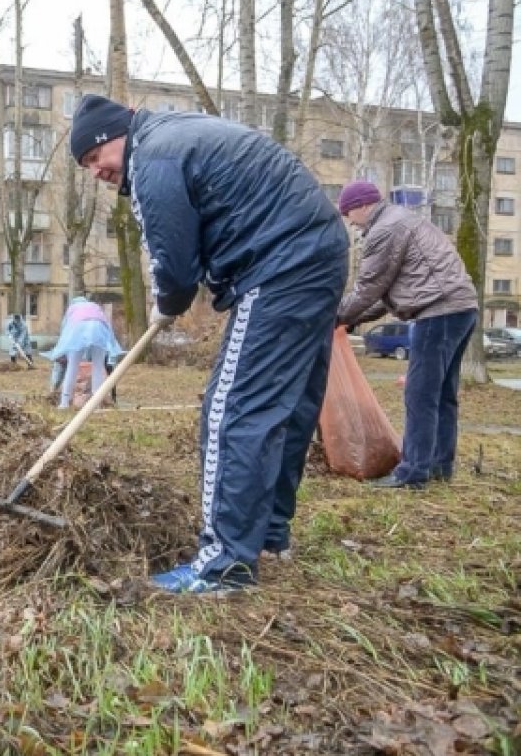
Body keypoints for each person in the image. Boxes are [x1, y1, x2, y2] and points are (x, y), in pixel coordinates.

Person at [71, 93, 349, 594]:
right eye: (87, 166)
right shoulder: (174, 133)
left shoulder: (152, 156)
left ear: (118, 135)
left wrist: (168, 299)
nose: (95, 171)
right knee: (284, 406)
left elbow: (174, 260)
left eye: (95, 157)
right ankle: (266, 536)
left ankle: (224, 565)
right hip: (318, 251)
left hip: (279, 265)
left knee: (233, 409)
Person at [335, 180, 478, 488]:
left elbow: (368, 288)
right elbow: (383, 295)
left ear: (362, 205)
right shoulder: (403, 219)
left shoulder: (385, 229)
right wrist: (349, 322)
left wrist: (332, 317)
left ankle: (412, 472)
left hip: (437, 311)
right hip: (461, 308)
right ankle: (440, 465)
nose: (349, 220)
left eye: (348, 212)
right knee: (441, 394)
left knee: (420, 393)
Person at [41, 296, 124, 409]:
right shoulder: (95, 307)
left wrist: (62, 352)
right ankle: (96, 404)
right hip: (99, 329)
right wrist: (111, 356)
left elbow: (65, 330)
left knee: (72, 366)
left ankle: (64, 402)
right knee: (98, 367)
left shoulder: (72, 309)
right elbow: (107, 326)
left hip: (78, 328)